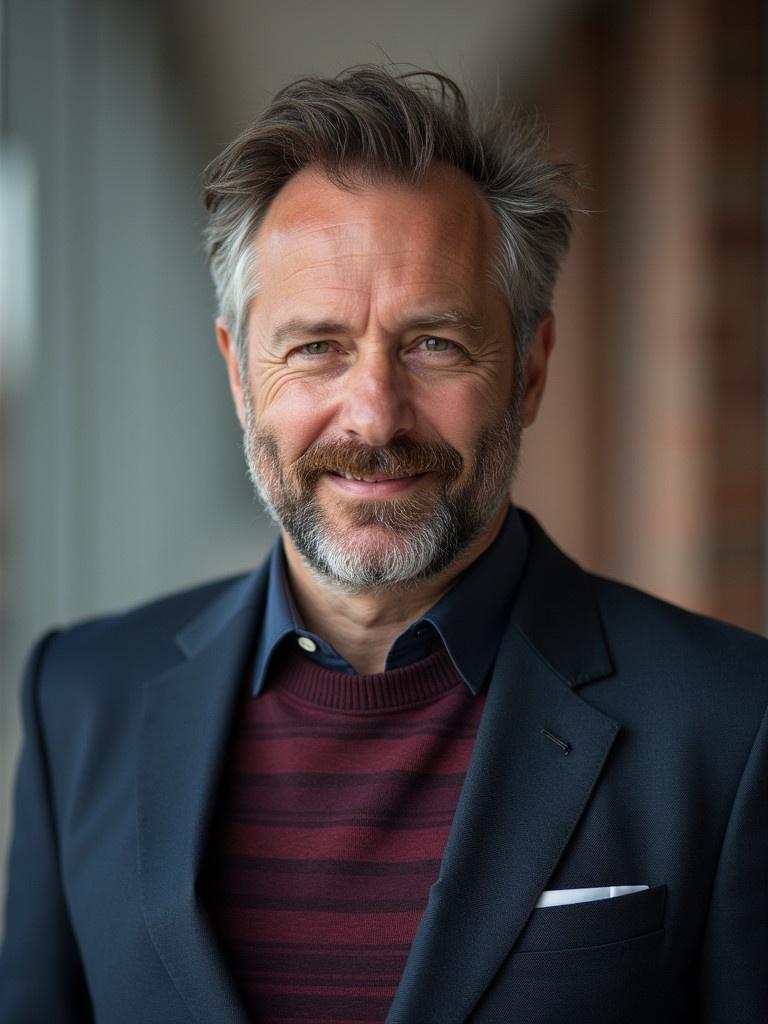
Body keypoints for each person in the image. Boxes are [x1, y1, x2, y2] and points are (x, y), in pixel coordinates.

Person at [0, 65, 765, 1024]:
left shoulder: (732, 725)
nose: (373, 414)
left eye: (434, 343)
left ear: (528, 369)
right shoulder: (81, 702)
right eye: (315, 345)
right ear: (241, 375)